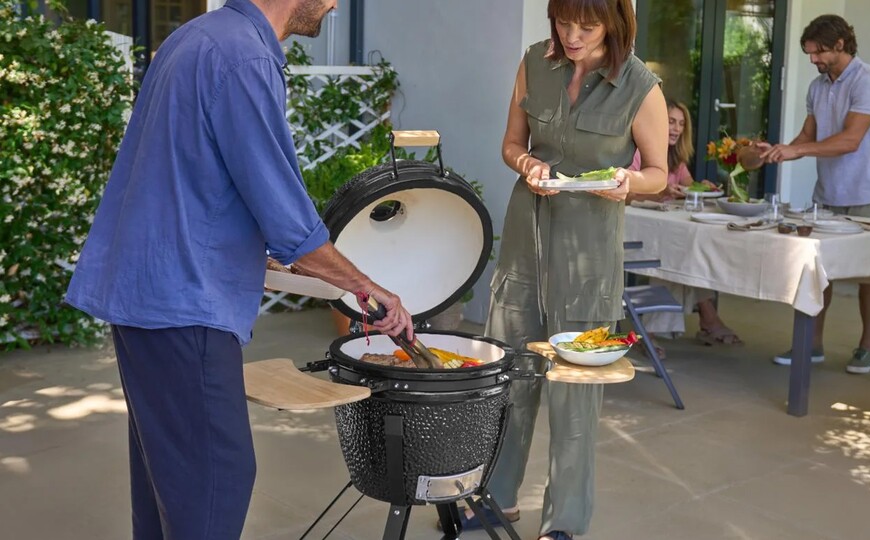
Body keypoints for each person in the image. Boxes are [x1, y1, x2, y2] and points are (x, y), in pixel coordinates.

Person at [64, 0, 414, 538]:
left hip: (143, 293)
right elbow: (286, 215)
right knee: (213, 483)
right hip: (185, 305)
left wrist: (248, 252)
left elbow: (190, 176)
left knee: (167, 482)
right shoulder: (245, 58)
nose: (335, 4)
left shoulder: (193, 38)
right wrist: (366, 287)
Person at [456, 1, 668, 539]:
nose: (572, 35)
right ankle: (497, 499)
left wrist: (628, 182)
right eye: (563, 22)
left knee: (575, 392)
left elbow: (659, 174)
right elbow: (511, 144)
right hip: (524, 241)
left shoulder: (641, 87)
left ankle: (565, 521)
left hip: (589, 255)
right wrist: (527, 162)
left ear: (614, 24)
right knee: (510, 375)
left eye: (587, 26)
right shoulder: (534, 62)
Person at [759, 14, 870, 374]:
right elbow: (807, 136)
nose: (813, 60)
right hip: (825, 194)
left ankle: (867, 346)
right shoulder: (817, 87)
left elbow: (850, 140)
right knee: (818, 272)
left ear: (840, 45)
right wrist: (780, 150)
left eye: (818, 53)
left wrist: (798, 150)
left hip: (864, 195)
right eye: (810, 53)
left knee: (869, 276)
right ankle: (811, 344)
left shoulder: (868, 80)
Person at [627, 99, 741, 354]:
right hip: (635, 228)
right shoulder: (638, 154)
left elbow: (689, 186)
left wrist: (704, 187)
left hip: (664, 229)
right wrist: (659, 193)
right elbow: (626, 195)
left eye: (681, 123)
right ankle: (700, 319)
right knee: (677, 253)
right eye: (671, 121)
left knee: (690, 250)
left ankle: (702, 319)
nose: (677, 128)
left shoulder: (676, 159)